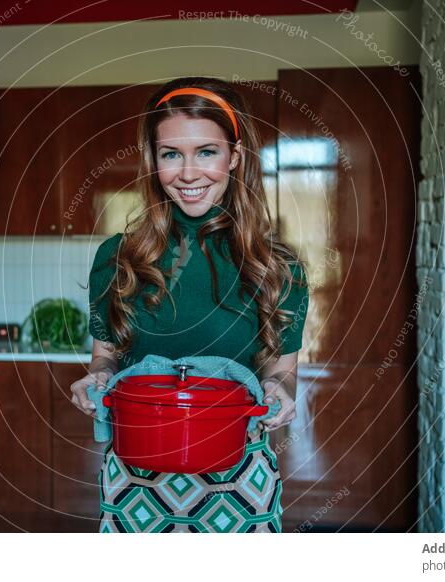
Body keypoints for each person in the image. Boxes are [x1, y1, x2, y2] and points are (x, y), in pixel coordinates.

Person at [71, 76, 309, 533]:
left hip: (238, 479)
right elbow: (105, 356)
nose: (188, 172)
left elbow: (281, 369)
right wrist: (96, 377)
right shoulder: (116, 258)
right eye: (170, 154)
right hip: (135, 480)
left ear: (234, 157)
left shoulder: (278, 267)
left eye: (206, 152)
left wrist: (280, 390)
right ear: (153, 160)